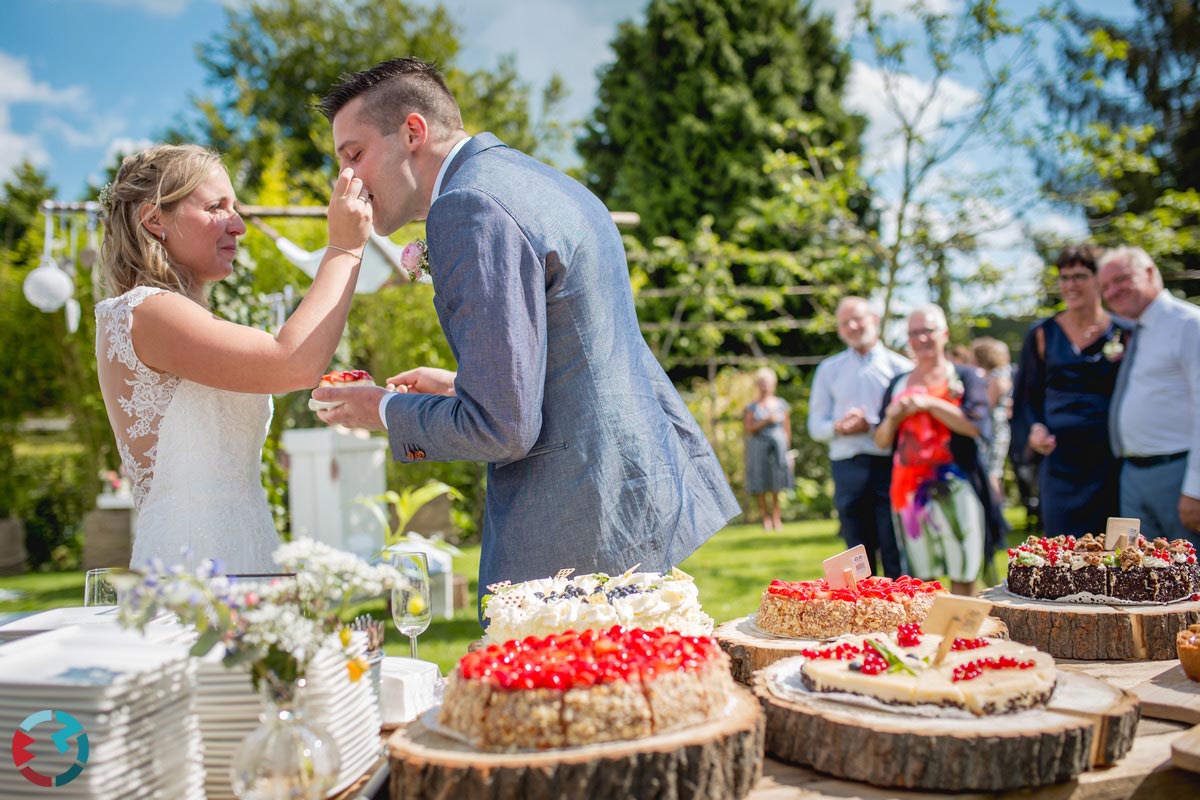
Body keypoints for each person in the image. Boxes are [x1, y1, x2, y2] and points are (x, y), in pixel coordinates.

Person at [309, 58, 740, 602]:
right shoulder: (542, 181)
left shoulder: (467, 208)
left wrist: (382, 411)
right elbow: (579, 347)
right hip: (631, 506)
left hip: (570, 547)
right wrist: (460, 386)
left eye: (354, 155)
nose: (347, 181)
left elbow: (501, 430)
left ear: (412, 132)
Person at [95, 144, 370, 572]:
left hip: (247, 547)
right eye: (216, 207)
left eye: (235, 207)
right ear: (154, 219)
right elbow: (291, 363)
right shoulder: (147, 311)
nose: (238, 225)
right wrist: (344, 249)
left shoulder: (183, 317)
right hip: (192, 563)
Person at [873, 304, 1005, 596]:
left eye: (928, 331)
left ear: (944, 334)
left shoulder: (965, 376)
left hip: (957, 484)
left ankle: (960, 633)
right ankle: (927, 635)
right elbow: (881, 440)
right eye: (914, 333)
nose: (921, 339)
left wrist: (930, 404)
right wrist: (894, 417)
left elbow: (975, 427)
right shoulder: (898, 383)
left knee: (964, 563)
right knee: (920, 574)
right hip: (909, 492)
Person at [1011, 245, 1131, 536]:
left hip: (1110, 462)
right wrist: (1034, 429)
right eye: (1064, 278)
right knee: (1061, 553)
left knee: (1113, 552)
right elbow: (1026, 398)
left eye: (1079, 276)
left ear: (1098, 279)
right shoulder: (1042, 334)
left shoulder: (1124, 331)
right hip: (1060, 463)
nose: (1070, 285)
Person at [1098, 246, 1200, 546]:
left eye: (1121, 279)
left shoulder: (1188, 324)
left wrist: (1195, 489)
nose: (1112, 291)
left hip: (1178, 473)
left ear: (1150, 273)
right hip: (1133, 475)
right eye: (1105, 287)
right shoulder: (1132, 331)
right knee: (1141, 580)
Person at [807, 297, 911, 576]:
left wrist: (872, 424)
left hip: (888, 464)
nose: (853, 326)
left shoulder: (900, 367)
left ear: (874, 320)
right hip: (847, 465)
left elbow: (909, 424)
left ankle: (899, 606)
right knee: (855, 549)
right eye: (844, 322)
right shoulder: (829, 370)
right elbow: (815, 425)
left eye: (858, 319)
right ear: (839, 330)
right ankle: (861, 610)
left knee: (894, 543)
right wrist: (838, 427)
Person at [743, 368, 792, 530]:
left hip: (777, 449)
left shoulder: (781, 404)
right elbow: (749, 429)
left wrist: (787, 450)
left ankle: (777, 517)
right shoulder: (752, 407)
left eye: (768, 383)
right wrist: (765, 421)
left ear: (774, 384)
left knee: (776, 482)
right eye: (762, 383)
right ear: (758, 385)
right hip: (758, 448)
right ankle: (765, 518)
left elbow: (786, 429)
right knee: (760, 482)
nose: (765, 386)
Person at [972, 337, 1013, 501]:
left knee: (992, 475)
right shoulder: (993, 377)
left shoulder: (997, 379)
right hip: (993, 432)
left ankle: (996, 514)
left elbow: (985, 406)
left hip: (995, 433)